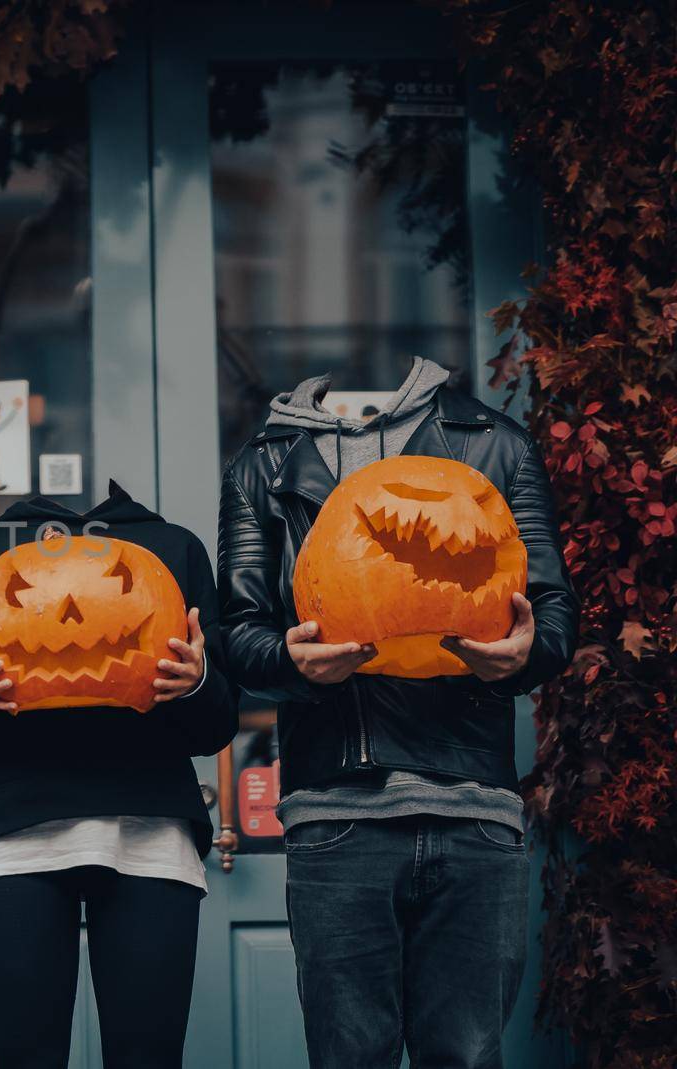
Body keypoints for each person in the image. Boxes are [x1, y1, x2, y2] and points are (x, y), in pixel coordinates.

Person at [217, 357, 579, 1069]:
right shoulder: (264, 463)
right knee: (351, 1058)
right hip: (337, 810)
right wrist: (290, 662)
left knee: (467, 1056)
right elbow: (239, 631)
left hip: (475, 805)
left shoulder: (495, 443)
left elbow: (553, 613)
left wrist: (526, 653)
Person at [0, 482, 238, 1069]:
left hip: (150, 831)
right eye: (31, 593)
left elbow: (216, 725)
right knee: (24, 1055)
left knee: (149, 1056)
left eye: (112, 588)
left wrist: (198, 684)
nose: (69, 613)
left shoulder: (172, 550)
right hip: (14, 834)